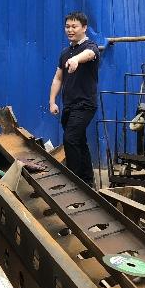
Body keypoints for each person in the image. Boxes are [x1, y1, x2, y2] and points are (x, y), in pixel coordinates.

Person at [48, 11, 100, 187]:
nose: (70, 30)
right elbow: (58, 78)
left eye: (74, 26)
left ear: (84, 28)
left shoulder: (90, 46)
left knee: (70, 139)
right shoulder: (65, 53)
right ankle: (88, 182)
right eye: (67, 26)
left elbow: (89, 54)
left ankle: (74, 183)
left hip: (85, 105)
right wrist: (52, 101)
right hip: (69, 105)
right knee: (79, 141)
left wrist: (76, 59)